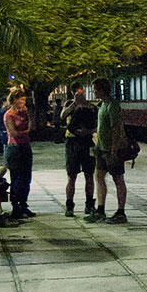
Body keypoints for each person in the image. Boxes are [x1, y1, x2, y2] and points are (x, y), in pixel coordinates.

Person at [86, 77, 128, 224]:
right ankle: (100, 209)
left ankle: (121, 212)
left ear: (102, 90)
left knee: (118, 179)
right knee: (99, 177)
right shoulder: (102, 105)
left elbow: (116, 129)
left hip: (111, 149)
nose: (93, 92)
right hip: (102, 148)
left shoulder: (112, 106)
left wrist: (114, 152)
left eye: (95, 89)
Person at [61, 83, 98, 216]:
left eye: (82, 92)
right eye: (78, 92)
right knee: (71, 175)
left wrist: (88, 131)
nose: (80, 94)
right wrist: (75, 104)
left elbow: (97, 124)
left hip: (87, 141)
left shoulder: (91, 107)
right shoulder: (69, 105)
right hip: (72, 142)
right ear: (73, 93)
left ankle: (89, 204)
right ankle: (69, 205)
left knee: (89, 174)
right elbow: (62, 116)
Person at [3, 89, 34, 218]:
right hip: (14, 148)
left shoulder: (24, 113)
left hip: (25, 146)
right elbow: (13, 132)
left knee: (26, 177)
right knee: (16, 178)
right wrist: (25, 131)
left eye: (24, 100)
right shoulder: (9, 114)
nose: (22, 102)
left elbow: (32, 126)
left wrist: (28, 118)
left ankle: (24, 204)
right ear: (14, 100)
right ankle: (16, 206)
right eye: (20, 99)